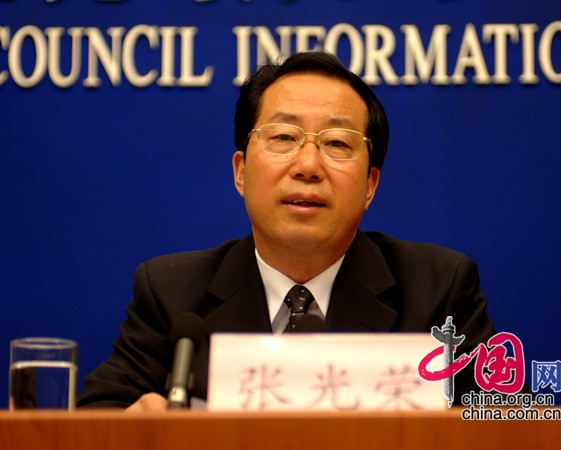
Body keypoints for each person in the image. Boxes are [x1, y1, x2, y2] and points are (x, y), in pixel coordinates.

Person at [77, 51, 496, 411]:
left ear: (370, 184)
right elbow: (97, 419)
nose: (308, 165)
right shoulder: (172, 295)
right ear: (241, 172)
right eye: (283, 136)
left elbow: (502, 422)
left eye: (336, 142)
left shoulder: (437, 292)